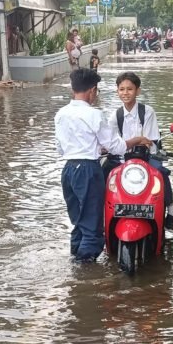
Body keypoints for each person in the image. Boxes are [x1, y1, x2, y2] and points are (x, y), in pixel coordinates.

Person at [56, 68, 153, 261]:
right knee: (92, 224)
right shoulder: (94, 115)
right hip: (88, 171)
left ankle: (75, 261)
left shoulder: (61, 114)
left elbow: (60, 148)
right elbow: (116, 147)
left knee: (78, 222)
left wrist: (94, 147)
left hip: (68, 171)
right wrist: (137, 140)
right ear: (92, 90)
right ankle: (86, 275)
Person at [110, 71, 173, 230]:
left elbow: (148, 141)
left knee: (160, 172)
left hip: (146, 156)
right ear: (117, 91)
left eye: (129, 89)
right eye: (122, 89)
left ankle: (171, 211)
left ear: (137, 91)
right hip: (122, 157)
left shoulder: (147, 112)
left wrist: (130, 143)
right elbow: (112, 141)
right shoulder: (115, 116)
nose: (125, 93)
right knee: (104, 173)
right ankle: (104, 213)